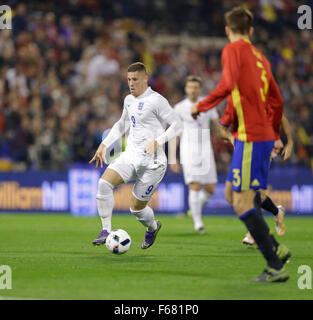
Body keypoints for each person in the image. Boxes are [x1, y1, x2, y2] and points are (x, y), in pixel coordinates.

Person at [191, 7, 291, 282]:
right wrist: (271, 132)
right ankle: (275, 248)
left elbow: (228, 83)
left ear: (227, 30)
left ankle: (274, 263)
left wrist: (201, 106)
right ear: (252, 31)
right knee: (230, 195)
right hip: (255, 135)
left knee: (242, 200)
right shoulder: (260, 58)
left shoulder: (233, 49)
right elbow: (275, 101)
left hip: (252, 137)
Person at [89, 62, 182, 249]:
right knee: (104, 183)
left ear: (145, 79)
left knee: (136, 209)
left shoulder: (156, 100)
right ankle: (106, 230)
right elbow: (122, 124)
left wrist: (158, 141)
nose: (131, 83)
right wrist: (104, 144)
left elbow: (177, 124)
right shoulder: (128, 100)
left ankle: (153, 227)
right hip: (131, 156)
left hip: (153, 163)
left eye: (135, 79)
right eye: (129, 79)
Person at [218, 102, 294, 245]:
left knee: (252, 190)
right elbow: (221, 129)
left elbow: (282, 118)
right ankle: (277, 212)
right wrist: (230, 138)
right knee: (242, 194)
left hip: (262, 148)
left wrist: (289, 142)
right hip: (243, 150)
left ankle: (253, 233)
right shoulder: (235, 104)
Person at [171, 75, 219, 233]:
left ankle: (195, 208)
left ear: (200, 89)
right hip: (188, 146)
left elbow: (217, 125)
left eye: (195, 87)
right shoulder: (179, 108)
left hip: (206, 146)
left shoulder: (208, 104)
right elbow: (174, 133)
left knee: (210, 188)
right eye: (190, 87)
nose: (192, 90)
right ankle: (198, 223)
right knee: (195, 185)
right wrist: (172, 157)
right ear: (186, 89)